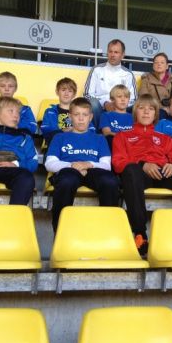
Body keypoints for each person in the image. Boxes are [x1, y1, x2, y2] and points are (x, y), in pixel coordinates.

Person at [112, 94, 172, 255]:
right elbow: (118, 163)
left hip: (164, 173)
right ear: (135, 112)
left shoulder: (165, 138)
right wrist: (142, 165)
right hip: (140, 176)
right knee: (131, 170)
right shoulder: (122, 136)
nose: (146, 112)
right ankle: (140, 234)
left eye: (151, 109)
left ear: (155, 114)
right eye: (142, 108)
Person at [45, 97, 120, 233]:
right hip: (69, 169)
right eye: (76, 114)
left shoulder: (99, 138)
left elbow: (106, 165)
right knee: (67, 181)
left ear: (90, 117)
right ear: (70, 116)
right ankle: (60, 231)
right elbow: (50, 163)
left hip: (93, 170)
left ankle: (108, 231)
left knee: (110, 181)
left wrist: (88, 164)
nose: (81, 119)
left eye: (85, 115)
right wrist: (74, 165)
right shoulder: (59, 137)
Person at [84, 39, 137, 128]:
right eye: (110, 51)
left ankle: (125, 132)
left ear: (122, 55)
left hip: (121, 108)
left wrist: (117, 104)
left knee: (137, 107)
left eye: (116, 52)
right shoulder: (96, 70)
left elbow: (134, 99)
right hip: (99, 108)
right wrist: (105, 103)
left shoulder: (128, 74)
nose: (112, 55)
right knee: (93, 103)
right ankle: (98, 131)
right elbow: (87, 94)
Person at [40, 77, 84, 148]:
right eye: (63, 90)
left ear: (74, 94)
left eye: (70, 91)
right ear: (57, 92)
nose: (66, 93)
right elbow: (47, 133)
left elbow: (91, 131)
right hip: (56, 147)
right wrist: (64, 131)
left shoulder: (81, 112)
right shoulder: (50, 112)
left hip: (77, 147)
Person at [138, 52, 172, 117]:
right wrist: (161, 108)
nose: (159, 64)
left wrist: (171, 109)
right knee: (162, 114)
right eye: (156, 62)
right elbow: (144, 99)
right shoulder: (146, 80)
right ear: (153, 66)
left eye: (162, 62)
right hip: (154, 111)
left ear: (167, 66)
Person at [99, 84, 134, 150]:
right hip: (114, 144)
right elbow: (107, 133)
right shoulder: (106, 115)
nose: (123, 99)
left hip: (130, 145)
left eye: (126, 97)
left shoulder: (133, 117)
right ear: (112, 99)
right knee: (109, 138)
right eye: (119, 96)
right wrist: (122, 137)